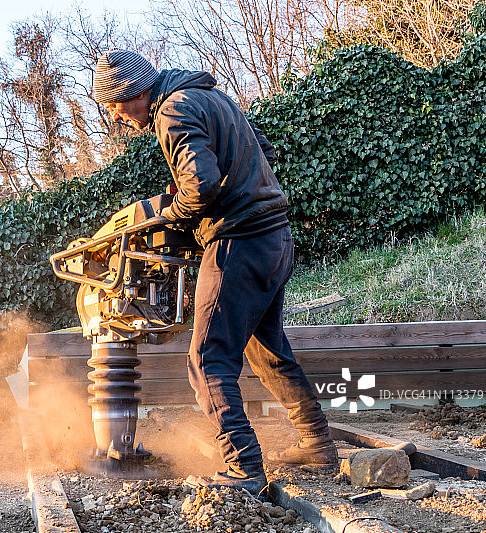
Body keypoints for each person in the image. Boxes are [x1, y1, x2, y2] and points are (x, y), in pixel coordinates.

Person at [93, 50, 337, 493]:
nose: (116, 115)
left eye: (114, 104)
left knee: (207, 360)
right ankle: (317, 442)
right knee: (267, 351)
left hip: (238, 242)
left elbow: (201, 185)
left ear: (133, 92)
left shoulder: (172, 110)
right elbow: (262, 147)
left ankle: (243, 467)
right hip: (275, 237)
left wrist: (175, 215)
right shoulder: (210, 96)